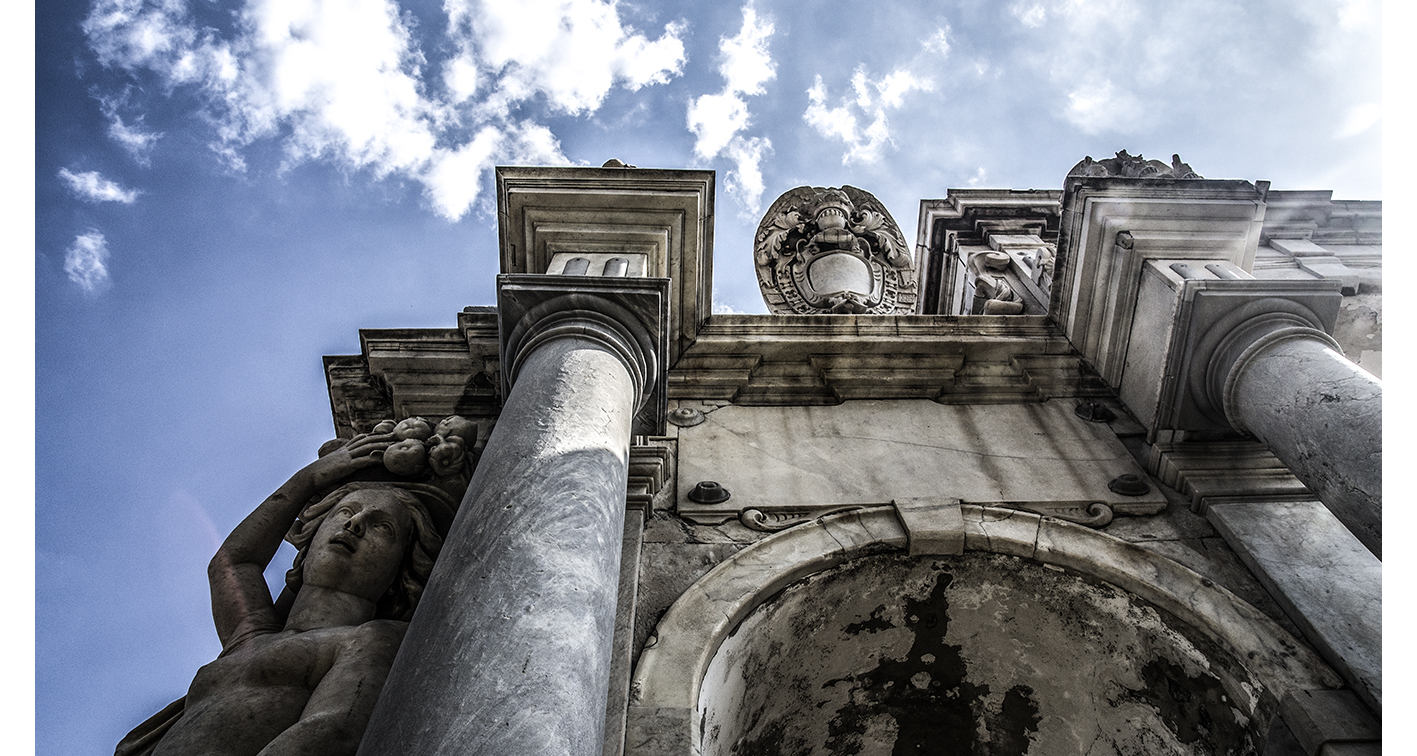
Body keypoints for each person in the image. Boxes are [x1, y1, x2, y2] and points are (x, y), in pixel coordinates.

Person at [116, 431, 445, 756]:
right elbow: (231, 563)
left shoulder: (372, 639)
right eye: (345, 512)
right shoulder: (252, 637)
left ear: (401, 570)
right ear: (311, 535)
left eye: (381, 526)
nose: (355, 524)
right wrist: (310, 479)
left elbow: (331, 732)